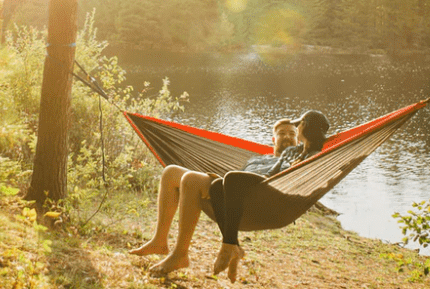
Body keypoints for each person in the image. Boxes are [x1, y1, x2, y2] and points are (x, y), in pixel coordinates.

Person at [132, 112, 329, 281]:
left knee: (205, 179)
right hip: (235, 194)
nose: (287, 136)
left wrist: (318, 138)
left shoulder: (297, 157)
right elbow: (237, 178)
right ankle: (161, 242)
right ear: (272, 140)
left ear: (299, 137)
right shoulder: (259, 158)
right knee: (172, 173)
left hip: (263, 202)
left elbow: (315, 147)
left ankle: (198, 251)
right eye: (281, 133)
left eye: (292, 133)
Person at [209, 110, 330, 280]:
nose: (296, 128)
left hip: (281, 195)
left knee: (231, 178)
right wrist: (263, 178)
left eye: (299, 124)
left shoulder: (315, 155)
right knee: (215, 186)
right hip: (270, 183)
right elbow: (274, 169)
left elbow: (313, 177)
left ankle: (227, 246)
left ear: (307, 128)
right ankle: (233, 246)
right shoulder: (292, 151)